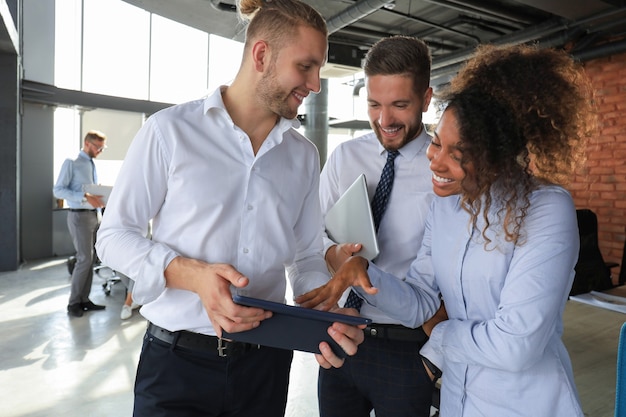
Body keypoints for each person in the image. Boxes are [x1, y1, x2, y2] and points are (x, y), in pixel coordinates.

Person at [95, 0, 364, 416]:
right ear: (261, 55)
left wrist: (322, 317)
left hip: (266, 366)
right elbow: (113, 236)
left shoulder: (303, 156)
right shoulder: (169, 132)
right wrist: (193, 275)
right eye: (306, 67)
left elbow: (306, 254)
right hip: (175, 365)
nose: (315, 85)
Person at [297, 44, 595, 417]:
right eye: (437, 141)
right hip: (457, 396)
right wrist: (365, 274)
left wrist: (436, 343)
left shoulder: (546, 208)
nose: (434, 160)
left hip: (522, 402)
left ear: (495, 154)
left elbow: (517, 344)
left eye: (457, 153)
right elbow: (422, 298)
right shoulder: (447, 204)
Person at [315, 35, 445, 417]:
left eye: (399, 105)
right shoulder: (344, 157)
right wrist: (334, 255)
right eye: (374, 104)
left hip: (407, 348)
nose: (384, 121)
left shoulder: (444, 169)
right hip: (341, 337)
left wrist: (433, 360)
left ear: (425, 99)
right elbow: (310, 238)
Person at [53, 130, 108, 318]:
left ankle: (85, 299)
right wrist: (84, 196)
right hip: (79, 216)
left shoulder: (91, 164)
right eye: (98, 147)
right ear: (87, 143)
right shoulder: (72, 162)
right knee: (84, 259)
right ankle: (73, 303)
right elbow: (58, 190)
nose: (100, 151)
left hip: (94, 216)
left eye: (102, 147)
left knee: (90, 259)